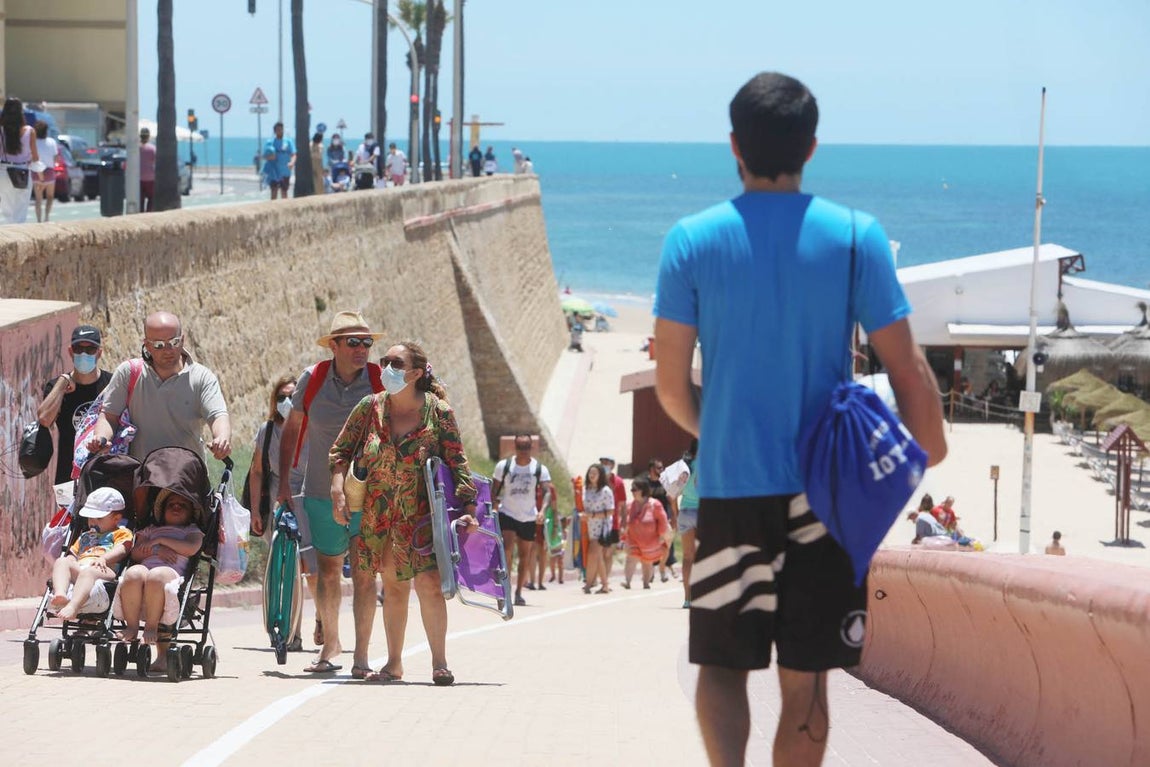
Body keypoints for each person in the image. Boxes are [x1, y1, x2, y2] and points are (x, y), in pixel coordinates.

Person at [653, 72, 947, 766]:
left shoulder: (691, 240)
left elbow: (669, 387)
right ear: (811, 147)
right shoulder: (854, 237)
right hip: (826, 497)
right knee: (807, 678)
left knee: (722, 663)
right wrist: (926, 447)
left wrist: (720, 433)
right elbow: (906, 367)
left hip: (729, 487)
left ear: (734, 146)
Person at [329, 340, 478, 685]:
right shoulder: (370, 407)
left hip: (421, 515)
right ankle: (393, 663)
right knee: (393, 586)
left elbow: (458, 463)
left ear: (414, 373)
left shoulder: (438, 412)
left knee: (427, 583)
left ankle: (439, 662)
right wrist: (338, 487)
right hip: (378, 515)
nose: (385, 368)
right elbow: (340, 451)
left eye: (395, 363)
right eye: (384, 361)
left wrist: (470, 508)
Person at [276, 311, 384, 675]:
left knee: (366, 573)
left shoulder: (379, 379)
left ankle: (362, 657)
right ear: (334, 346)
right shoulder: (314, 378)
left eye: (367, 342)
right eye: (353, 342)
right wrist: (283, 482)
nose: (361, 349)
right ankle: (330, 648)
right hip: (320, 489)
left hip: (370, 492)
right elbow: (291, 428)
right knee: (327, 571)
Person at [85, 311, 231, 463]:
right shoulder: (128, 373)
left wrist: (222, 439)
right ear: (147, 345)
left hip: (187, 476)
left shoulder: (202, 377)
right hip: (141, 475)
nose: (168, 350)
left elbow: (218, 415)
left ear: (182, 340)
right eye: (159, 345)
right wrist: (101, 438)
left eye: (174, 342)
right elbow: (109, 416)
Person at [113, 489, 204, 657]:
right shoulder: (150, 530)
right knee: (132, 573)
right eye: (171, 505)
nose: (176, 507)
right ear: (162, 510)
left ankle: (151, 626)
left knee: (156, 575)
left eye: (182, 505)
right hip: (146, 570)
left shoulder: (191, 531)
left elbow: (191, 549)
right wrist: (157, 548)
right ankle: (132, 626)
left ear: (191, 512)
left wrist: (161, 540)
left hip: (171, 575)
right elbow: (135, 553)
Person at [38, 325, 112, 485]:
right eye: (79, 349)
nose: (84, 354)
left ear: (99, 352)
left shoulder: (111, 384)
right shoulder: (57, 387)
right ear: (71, 352)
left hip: (104, 473)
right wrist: (62, 383)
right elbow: (44, 419)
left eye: (90, 349)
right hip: (68, 476)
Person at [49, 487, 133, 620]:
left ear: (116, 518)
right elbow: (73, 554)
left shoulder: (121, 533)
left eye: (98, 518)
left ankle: (74, 606)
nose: (92, 522)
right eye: (90, 518)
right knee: (62, 561)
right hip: (82, 568)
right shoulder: (85, 535)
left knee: (89, 572)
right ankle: (60, 593)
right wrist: (71, 560)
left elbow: (122, 549)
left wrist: (104, 558)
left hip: (105, 569)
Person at [492, 434, 555, 607]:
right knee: (507, 548)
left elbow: (547, 491)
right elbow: (494, 489)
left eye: (527, 447)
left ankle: (519, 592)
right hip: (508, 512)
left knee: (525, 555)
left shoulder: (539, 468)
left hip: (528, 516)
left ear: (531, 448)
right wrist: (493, 506)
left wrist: (543, 510)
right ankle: (505, 588)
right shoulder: (504, 466)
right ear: (515, 447)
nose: (523, 451)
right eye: (520, 447)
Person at [620, 477, 669, 590]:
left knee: (647, 561)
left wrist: (662, 534)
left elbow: (663, 519)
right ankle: (627, 581)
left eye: (635, 489)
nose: (632, 492)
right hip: (633, 538)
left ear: (643, 490)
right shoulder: (630, 505)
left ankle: (646, 582)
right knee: (631, 558)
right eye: (631, 489)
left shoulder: (654, 504)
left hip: (650, 539)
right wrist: (622, 534)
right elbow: (623, 520)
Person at [0, 96, 38, 225]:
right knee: (20, 209)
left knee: (7, 209)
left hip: (3, 171)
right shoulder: (30, 131)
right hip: (22, 171)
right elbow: (35, 157)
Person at [581, 463, 615, 594]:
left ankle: (588, 584)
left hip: (602, 527)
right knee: (598, 556)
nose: (592, 475)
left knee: (592, 553)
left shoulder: (606, 491)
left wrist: (593, 515)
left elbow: (611, 511)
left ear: (600, 475)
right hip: (589, 526)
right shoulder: (586, 489)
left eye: (595, 473)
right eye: (590, 473)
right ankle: (605, 585)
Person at [598, 456, 627, 582]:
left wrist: (624, 522)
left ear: (612, 465)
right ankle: (597, 578)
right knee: (598, 551)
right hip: (597, 521)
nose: (604, 465)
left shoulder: (619, 482)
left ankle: (606, 578)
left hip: (613, 523)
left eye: (607, 463)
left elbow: (623, 504)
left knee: (608, 552)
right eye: (602, 463)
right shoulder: (596, 479)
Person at [678, 440, 700, 608]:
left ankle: (687, 598)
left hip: (685, 510)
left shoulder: (684, 465)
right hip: (703, 511)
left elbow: (673, 492)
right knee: (703, 556)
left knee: (687, 557)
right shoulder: (708, 462)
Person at [31, 120, 58, 222]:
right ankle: (47, 217)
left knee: (38, 199)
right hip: (49, 172)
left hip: (36, 171)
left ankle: (38, 220)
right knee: (50, 196)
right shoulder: (52, 142)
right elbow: (55, 158)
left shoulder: (33, 142)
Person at [262, 121, 296, 200]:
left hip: (285, 171)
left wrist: (292, 162)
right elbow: (264, 156)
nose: (280, 131)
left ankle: (285, 209)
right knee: (274, 191)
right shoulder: (270, 142)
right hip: (273, 171)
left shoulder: (288, 141)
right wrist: (270, 157)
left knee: (284, 192)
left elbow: (293, 154)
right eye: (278, 129)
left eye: (281, 129)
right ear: (275, 131)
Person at [139, 127, 156, 212]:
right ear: (148, 136)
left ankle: (141, 213)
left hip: (139, 177)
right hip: (150, 177)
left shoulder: (137, 148)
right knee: (151, 198)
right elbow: (155, 161)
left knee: (140, 199)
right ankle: (148, 213)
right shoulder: (152, 148)